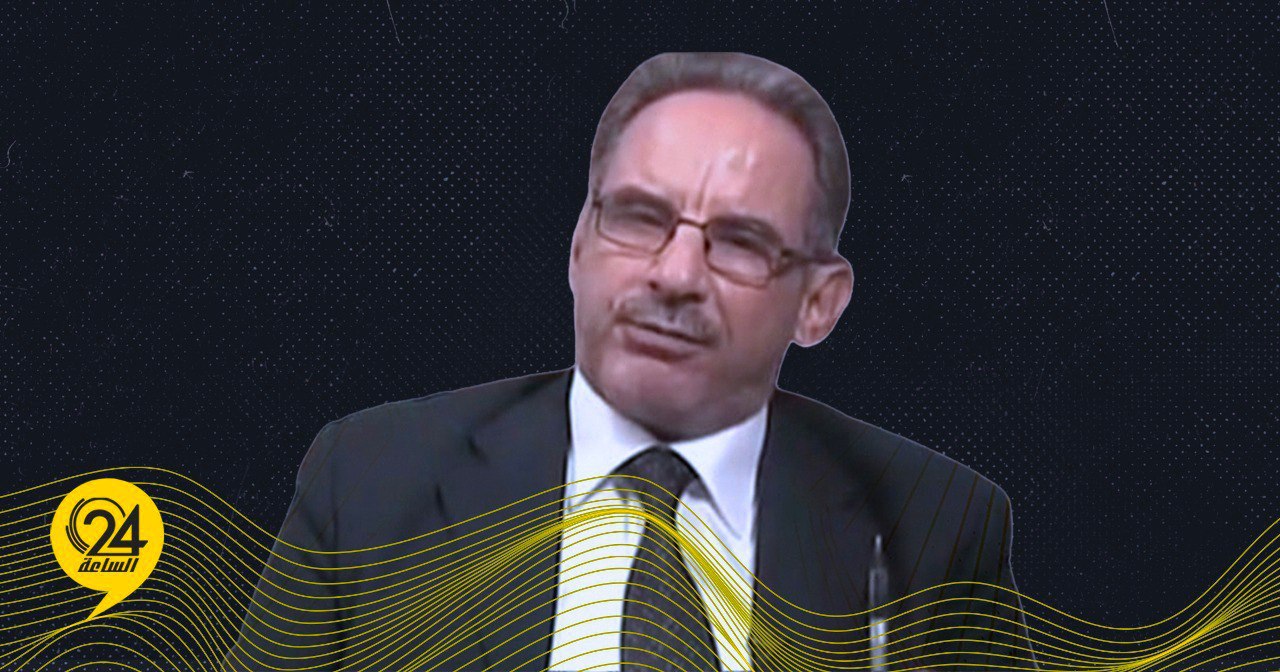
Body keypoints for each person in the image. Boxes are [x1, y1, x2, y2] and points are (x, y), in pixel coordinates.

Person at [225, 52, 1036, 672]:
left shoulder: (935, 527)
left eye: (740, 242)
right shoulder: (369, 480)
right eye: (640, 218)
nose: (675, 275)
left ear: (818, 303)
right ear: (580, 244)